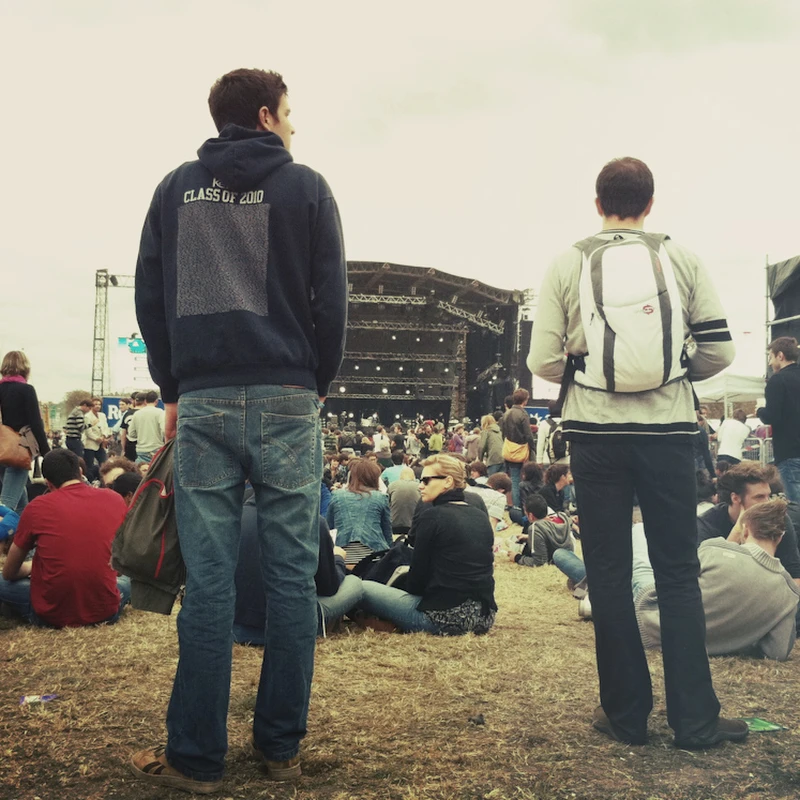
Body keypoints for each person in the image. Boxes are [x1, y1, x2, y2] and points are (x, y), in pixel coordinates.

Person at [130, 67, 347, 793]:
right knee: (290, 580)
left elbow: (150, 295)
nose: (293, 125)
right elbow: (332, 299)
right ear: (263, 115)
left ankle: (195, 758)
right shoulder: (307, 187)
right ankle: (280, 748)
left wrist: (172, 385)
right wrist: (314, 381)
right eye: (288, 112)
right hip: (288, 392)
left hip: (207, 397)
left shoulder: (175, 188)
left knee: (211, 583)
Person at [528, 156, 744, 749]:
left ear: (598, 204)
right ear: (650, 204)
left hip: (596, 433)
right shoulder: (681, 257)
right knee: (678, 572)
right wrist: (672, 372)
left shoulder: (569, 261)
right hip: (669, 428)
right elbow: (721, 352)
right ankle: (695, 720)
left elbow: (543, 362)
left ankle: (625, 716)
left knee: (607, 569)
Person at [357, 454, 496, 635]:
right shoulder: (479, 515)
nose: (420, 485)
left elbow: (416, 583)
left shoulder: (431, 516)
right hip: (484, 618)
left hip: (442, 618)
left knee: (359, 587)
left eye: (426, 480)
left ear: (447, 482)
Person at [0, 449, 131, 627]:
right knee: (129, 580)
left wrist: (32, 567)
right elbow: (123, 562)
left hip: (52, 615)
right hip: (106, 610)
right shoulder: (114, 499)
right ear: (81, 472)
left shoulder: (37, 507)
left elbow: (9, 572)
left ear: (48, 483)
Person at [233, 493, 363, 643]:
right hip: (294, 628)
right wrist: (338, 559)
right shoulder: (313, 522)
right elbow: (329, 587)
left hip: (237, 627)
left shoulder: (232, 519)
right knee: (355, 583)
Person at [697, 462, 800, 584]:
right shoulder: (707, 525)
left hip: (769, 592)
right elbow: (710, 578)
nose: (767, 503)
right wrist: (738, 530)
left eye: (769, 496)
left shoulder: (778, 519)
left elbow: (794, 573)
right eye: (759, 497)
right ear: (735, 498)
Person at [0, 351, 49, 513]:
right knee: (7, 504)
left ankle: (24, 534)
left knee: (21, 502)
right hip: (18, 449)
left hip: (1, 450)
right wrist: (46, 451)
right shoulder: (26, 390)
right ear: (25, 368)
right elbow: (36, 423)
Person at [758, 337, 800, 503]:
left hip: (790, 451)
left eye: (770, 357)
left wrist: (760, 410)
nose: (769, 363)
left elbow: (772, 416)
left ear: (780, 356)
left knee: (796, 506)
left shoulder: (777, 380)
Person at [325, 459, 392, 563]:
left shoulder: (337, 496)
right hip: (373, 555)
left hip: (342, 556)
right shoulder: (381, 497)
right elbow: (387, 531)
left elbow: (329, 527)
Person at [501, 388, 535, 507]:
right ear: (524, 400)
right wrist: (533, 448)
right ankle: (525, 506)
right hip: (522, 451)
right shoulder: (523, 414)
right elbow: (528, 435)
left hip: (509, 450)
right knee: (526, 479)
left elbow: (503, 433)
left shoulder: (506, 414)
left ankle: (515, 507)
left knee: (514, 480)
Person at [126, 390, 166, 464]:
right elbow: (164, 430)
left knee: (141, 472)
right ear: (156, 401)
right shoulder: (160, 412)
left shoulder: (137, 414)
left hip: (141, 450)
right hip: (156, 449)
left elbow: (131, 433)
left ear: (145, 401)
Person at [82, 397, 110, 480]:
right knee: (89, 466)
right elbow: (88, 432)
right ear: (91, 406)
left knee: (104, 463)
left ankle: (103, 480)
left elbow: (106, 427)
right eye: (95, 404)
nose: (98, 406)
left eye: (99, 404)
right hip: (90, 444)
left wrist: (104, 436)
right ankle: (89, 481)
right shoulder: (87, 416)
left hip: (101, 444)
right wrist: (97, 438)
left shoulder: (102, 415)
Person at [386, 467, 419, 536]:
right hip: (413, 525)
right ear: (413, 477)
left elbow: (387, 504)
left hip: (394, 525)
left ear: (400, 476)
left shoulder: (392, 485)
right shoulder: (419, 486)